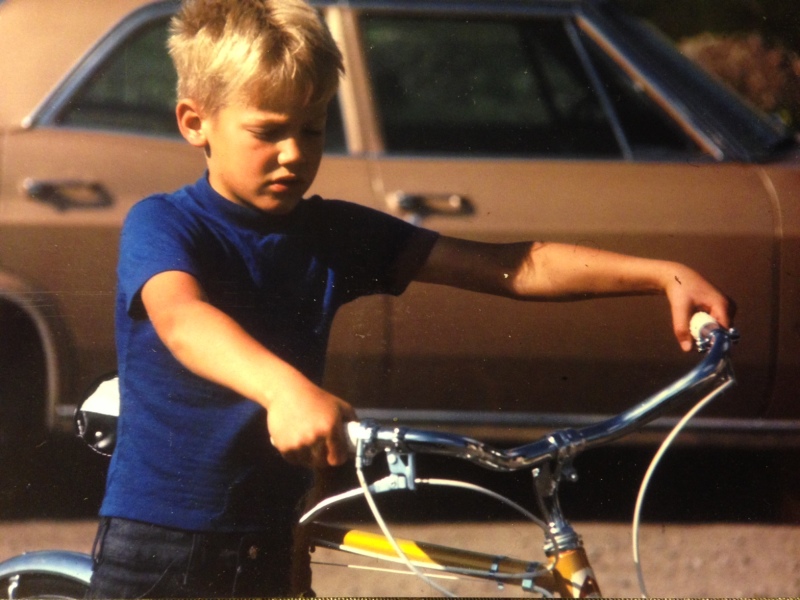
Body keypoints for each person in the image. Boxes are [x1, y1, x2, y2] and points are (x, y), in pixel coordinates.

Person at [87, 0, 734, 597]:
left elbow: (511, 265)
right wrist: (284, 389)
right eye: (268, 131)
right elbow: (182, 319)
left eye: (313, 130)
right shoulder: (166, 224)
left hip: (277, 536)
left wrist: (660, 274)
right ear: (195, 123)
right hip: (159, 544)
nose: (294, 154)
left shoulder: (330, 231)